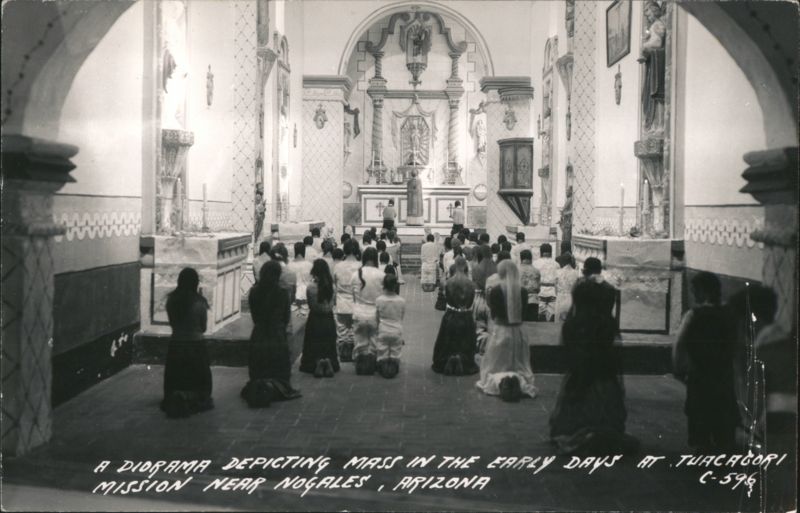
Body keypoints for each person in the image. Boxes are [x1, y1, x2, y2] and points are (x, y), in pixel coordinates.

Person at [549, 280, 639, 455]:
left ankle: (583, 433)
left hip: (579, 380)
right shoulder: (607, 324)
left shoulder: (573, 325)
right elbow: (612, 354)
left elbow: (566, 353)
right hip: (604, 379)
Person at [673, 271, 738, 453]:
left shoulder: (693, 315)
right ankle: (724, 446)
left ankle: (703, 447)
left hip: (700, 371)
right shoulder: (729, 314)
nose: (694, 294)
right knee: (723, 409)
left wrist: (679, 367)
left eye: (695, 290)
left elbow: (679, 344)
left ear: (704, 291)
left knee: (699, 410)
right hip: (723, 372)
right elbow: (736, 343)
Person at [241, 261, 301, 407]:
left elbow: (254, 316)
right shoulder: (282, 293)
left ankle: (260, 386)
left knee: (260, 367)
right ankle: (275, 388)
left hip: (259, 333)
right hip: (276, 334)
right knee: (278, 368)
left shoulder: (254, 292)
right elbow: (286, 317)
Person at [476, 260, 537, 401]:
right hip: (518, 331)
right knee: (519, 362)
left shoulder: (496, 290)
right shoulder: (523, 291)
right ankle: (517, 381)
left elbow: (493, 314)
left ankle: (500, 382)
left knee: (496, 364)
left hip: (501, 330)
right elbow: (525, 313)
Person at [162, 268, 213, 418]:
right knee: (198, 381)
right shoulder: (200, 302)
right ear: (195, 283)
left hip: (176, 344)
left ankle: (178, 397)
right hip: (196, 346)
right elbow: (203, 327)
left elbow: (172, 323)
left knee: (177, 378)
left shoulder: (171, 300)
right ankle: (192, 398)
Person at [432, 257, 480, 375]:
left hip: (451, 315)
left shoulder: (449, 282)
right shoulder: (470, 284)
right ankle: (463, 361)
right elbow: (471, 302)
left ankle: (449, 360)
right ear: (465, 266)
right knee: (465, 343)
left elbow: (447, 299)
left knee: (447, 343)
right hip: (466, 315)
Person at [299, 260, 340, 377]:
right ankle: (328, 361)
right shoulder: (332, 287)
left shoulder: (310, 287)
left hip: (315, 319)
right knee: (328, 344)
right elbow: (333, 304)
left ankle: (316, 363)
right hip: (328, 319)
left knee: (313, 345)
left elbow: (311, 305)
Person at [351, 247, 384, 375]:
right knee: (374, 342)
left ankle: (361, 365)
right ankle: (372, 364)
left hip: (359, 312)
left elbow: (353, 296)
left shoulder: (355, 275)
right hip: (375, 314)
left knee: (360, 343)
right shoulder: (381, 275)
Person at [333, 240, 360, 362]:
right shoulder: (360, 266)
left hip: (341, 302)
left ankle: (343, 354)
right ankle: (354, 353)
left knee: (342, 331)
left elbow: (335, 283)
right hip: (356, 301)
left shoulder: (338, 266)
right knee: (354, 330)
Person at [375, 273, 405, 379]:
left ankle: (383, 367)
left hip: (383, 329)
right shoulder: (401, 301)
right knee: (395, 352)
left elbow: (377, 317)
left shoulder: (379, 300)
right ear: (395, 285)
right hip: (396, 330)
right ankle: (393, 368)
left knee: (382, 352)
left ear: (383, 285)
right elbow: (401, 317)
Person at [471, 245, 497, 356]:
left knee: (479, 328)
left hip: (479, 298)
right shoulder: (496, 267)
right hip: (493, 300)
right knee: (492, 328)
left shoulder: (476, 268)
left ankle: (480, 349)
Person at [534, 243, 560, 322]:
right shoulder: (556, 264)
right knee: (552, 318)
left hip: (540, 292)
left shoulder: (535, 263)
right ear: (551, 252)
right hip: (553, 292)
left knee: (540, 318)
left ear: (541, 252)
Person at [555, 253, 580, 321]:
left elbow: (555, 288)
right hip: (571, 298)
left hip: (560, 297)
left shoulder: (558, 272)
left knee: (559, 321)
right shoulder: (576, 273)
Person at [287, 242, 313, 309]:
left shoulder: (289, 265)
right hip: (307, 297)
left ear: (295, 251)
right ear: (304, 251)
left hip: (294, 298)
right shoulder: (310, 265)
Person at [519, 249, 541, 322]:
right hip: (533, 300)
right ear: (531, 258)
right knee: (533, 325)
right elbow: (538, 288)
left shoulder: (516, 270)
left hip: (520, 300)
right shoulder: (536, 271)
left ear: (521, 258)